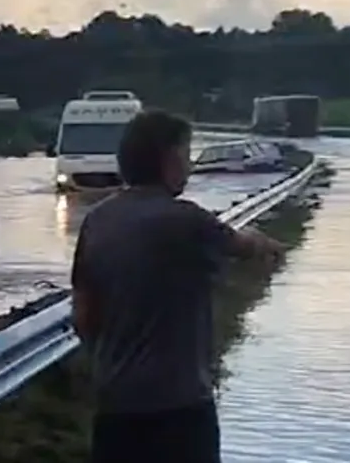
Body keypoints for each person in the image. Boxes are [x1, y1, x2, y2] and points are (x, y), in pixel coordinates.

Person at [71, 110, 285, 463]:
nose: (188, 166)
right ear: (168, 160)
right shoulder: (186, 220)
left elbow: (82, 315)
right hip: (180, 410)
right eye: (186, 155)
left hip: (115, 409)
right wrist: (269, 249)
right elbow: (242, 246)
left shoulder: (96, 221)